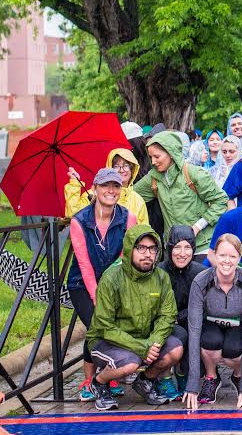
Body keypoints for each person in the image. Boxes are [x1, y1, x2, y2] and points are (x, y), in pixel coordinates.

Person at [86, 224, 183, 411]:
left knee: (175, 350)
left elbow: (168, 314)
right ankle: (99, 382)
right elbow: (104, 326)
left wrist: (154, 342)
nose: (147, 254)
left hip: (145, 339)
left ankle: (145, 381)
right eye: (141, 248)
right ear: (130, 249)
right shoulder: (111, 278)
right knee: (130, 363)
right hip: (106, 341)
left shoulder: (161, 277)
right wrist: (142, 347)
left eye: (152, 249)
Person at [67, 168, 136, 402]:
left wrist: (110, 289)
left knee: (112, 324)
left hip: (115, 283)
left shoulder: (128, 218)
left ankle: (110, 373)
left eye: (116, 186)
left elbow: (127, 255)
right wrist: (97, 296)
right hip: (81, 284)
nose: (111, 190)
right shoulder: (79, 221)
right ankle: (88, 380)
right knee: (97, 324)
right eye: (105, 185)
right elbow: (84, 262)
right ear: (95, 188)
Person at [182, 234, 242, 410]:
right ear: (214, 255)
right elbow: (194, 331)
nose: (227, 261)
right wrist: (193, 384)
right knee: (210, 341)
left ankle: (238, 376)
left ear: (240, 257)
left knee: (234, 349)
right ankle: (211, 378)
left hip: (237, 327)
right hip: (211, 325)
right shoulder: (200, 281)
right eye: (222, 255)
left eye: (232, 256)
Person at [133, 131, 229, 253]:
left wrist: (197, 227)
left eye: (157, 157)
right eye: (151, 157)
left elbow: (221, 201)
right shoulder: (153, 177)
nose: (153, 162)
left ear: (171, 153)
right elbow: (131, 196)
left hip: (200, 246)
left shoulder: (193, 173)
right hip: (172, 248)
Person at [161, 226, 207, 398]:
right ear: (169, 248)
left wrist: (183, 317)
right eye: (177, 247)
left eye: (187, 247)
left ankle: (183, 373)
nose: (182, 253)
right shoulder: (159, 272)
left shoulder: (200, 273)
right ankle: (164, 377)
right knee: (171, 338)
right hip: (165, 324)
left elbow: (204, 306)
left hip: (191, 322)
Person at [64, 148, 149, 225]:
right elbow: (73, 214)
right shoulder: (96, 193)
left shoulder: (138, 200)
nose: (122, 170)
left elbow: (144, 231)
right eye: (116, 166)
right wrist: (74, 183)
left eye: (126, 165)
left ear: (132, 168)